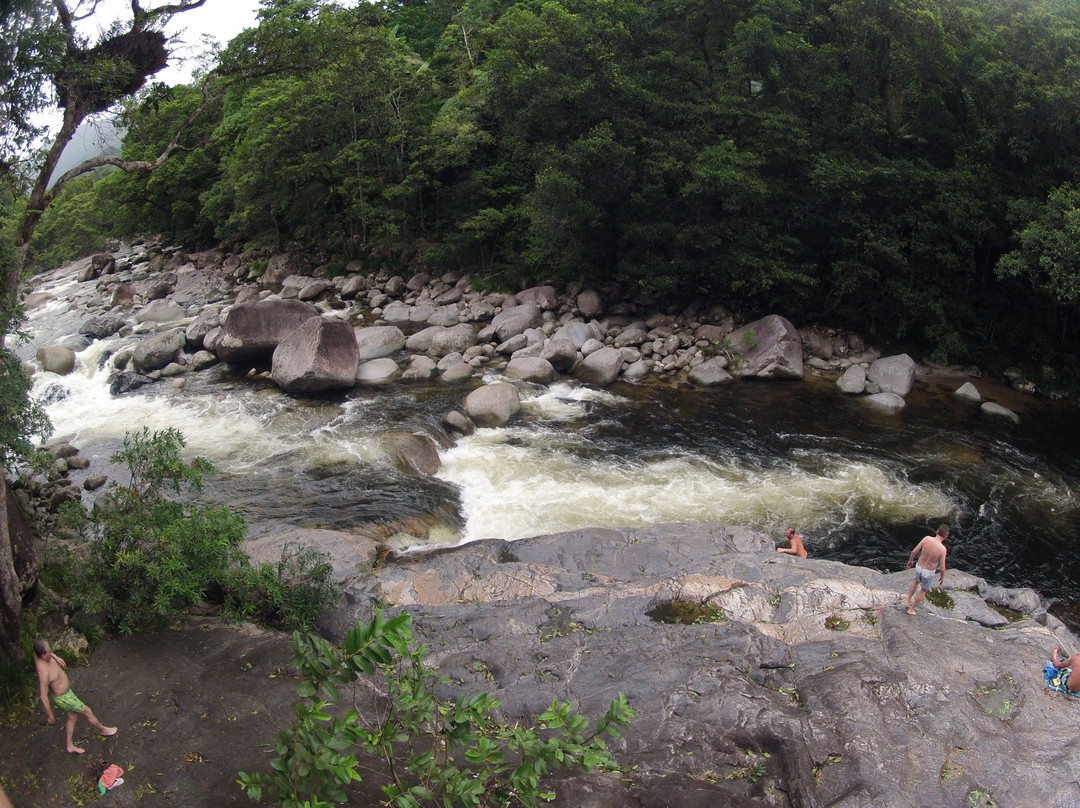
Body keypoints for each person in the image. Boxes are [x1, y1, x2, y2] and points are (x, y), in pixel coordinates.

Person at [34, 638, 117, 754]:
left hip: (67, 694)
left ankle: (70, 745)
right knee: (87, 711)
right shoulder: (44, 672)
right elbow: (43, 696)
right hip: (64, 698)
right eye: (49, 651)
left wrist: (54, 656)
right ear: (43, 656)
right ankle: (104, 730)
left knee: (72, 717)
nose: (51, 652)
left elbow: (40, 650)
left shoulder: (39, 654)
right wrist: (51, 716)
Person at [903, 524, 949, 615]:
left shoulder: (926, 538)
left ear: (936, 531)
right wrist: (942, 577)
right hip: (928, 572)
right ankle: (911, 609)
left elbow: (914, 551)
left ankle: (907, 600)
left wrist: (910, 561)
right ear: (946, 537)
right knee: (924, 590)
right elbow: (942, 568)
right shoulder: (942, 549)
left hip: (919, 566)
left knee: (916, 581)